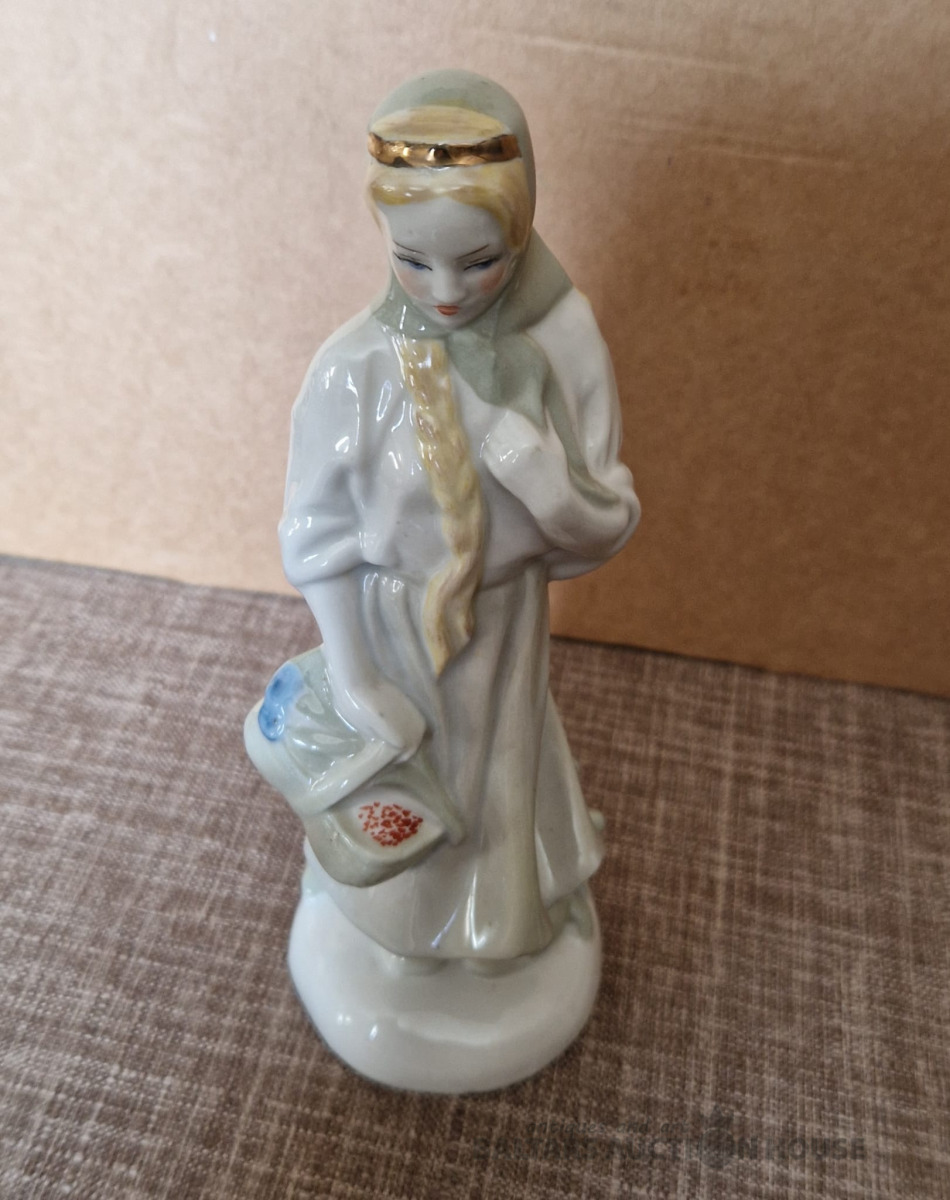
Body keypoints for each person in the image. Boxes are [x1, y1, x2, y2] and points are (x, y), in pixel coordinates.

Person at [274, 69, 640, 964]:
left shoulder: (561, 340)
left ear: (521, 231)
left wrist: (549, 486)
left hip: (504, 625)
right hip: (391, 631)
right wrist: (356, 680)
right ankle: (398, 940)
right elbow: (316, 540)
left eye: (479, 262)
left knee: (498, 783)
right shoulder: (352, 368)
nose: (444, 291)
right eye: (412, 258)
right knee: (413, 788)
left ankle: (493, 931)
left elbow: (607, 522)